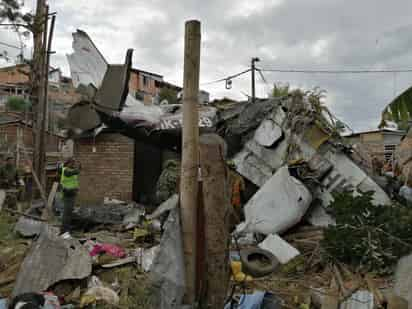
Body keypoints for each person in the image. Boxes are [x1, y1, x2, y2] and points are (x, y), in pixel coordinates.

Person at [59, 157, 81, 235]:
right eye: (73, 163)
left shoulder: (71, 170)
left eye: (74, 164)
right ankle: (64, 231)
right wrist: (78, 168)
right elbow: (70, 174)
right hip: (67, 194)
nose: (74, 165)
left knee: (69, 213)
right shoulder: (65, 170)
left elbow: (74, 180)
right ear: (69, 163)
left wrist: (76, 188)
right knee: (66, 214)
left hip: (72, 194)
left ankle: (66, 229)